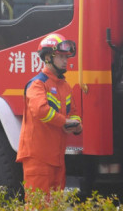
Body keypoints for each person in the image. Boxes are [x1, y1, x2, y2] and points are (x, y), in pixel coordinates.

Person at [16, 33, 82, 197]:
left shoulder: (65, 86)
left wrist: (77, 125)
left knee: (55, 205)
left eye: (67, 57)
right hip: (38, 159)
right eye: (61, 56)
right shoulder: (37, 84)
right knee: (38, 206)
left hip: (57, 159)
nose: (66, 60)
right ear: (47, 57)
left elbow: (73, 112)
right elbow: (41, 111)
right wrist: (65, 122)